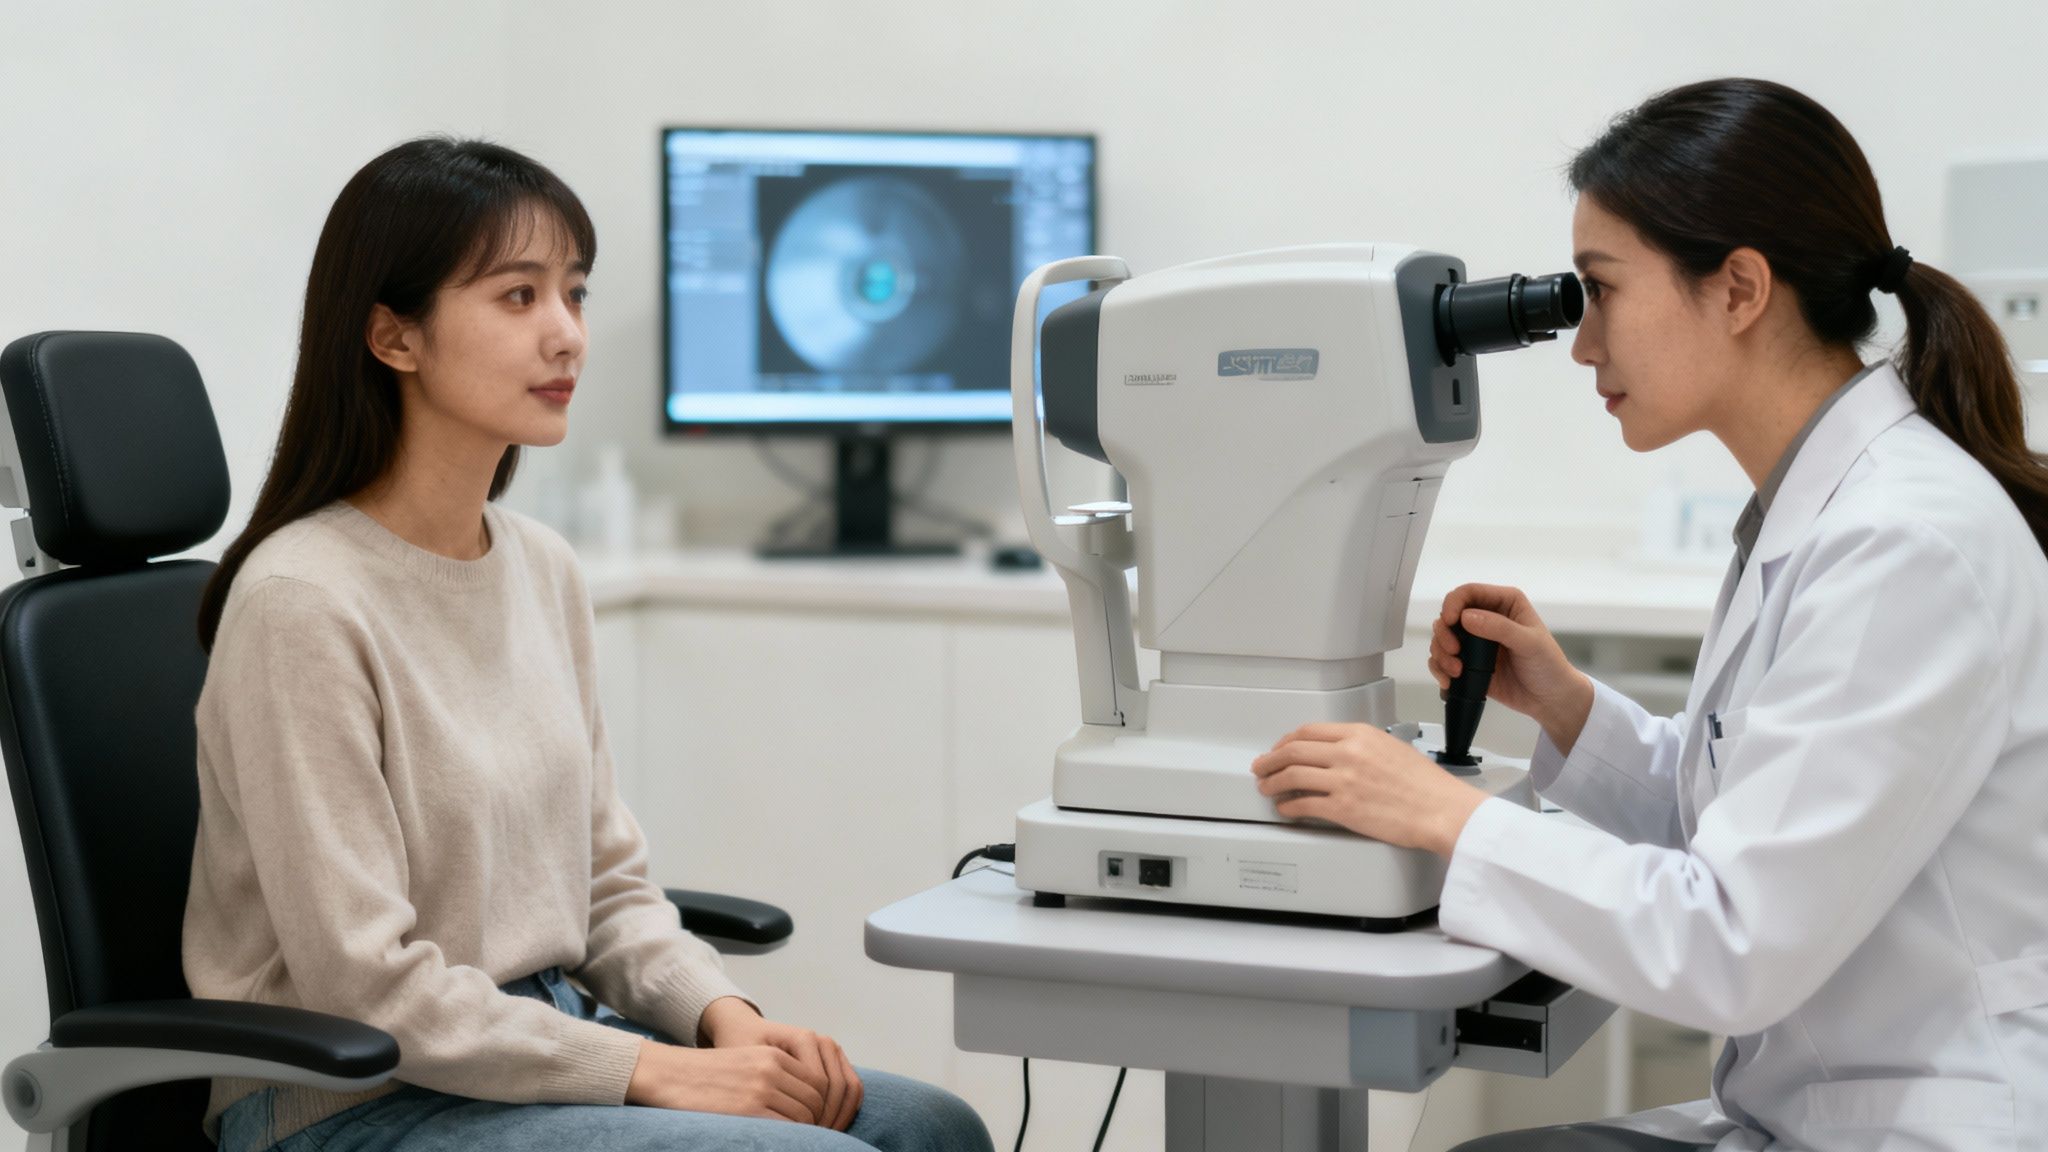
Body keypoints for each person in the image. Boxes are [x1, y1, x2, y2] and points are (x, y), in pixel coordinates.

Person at [1249, 79, 2048, 1150]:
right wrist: (1571, 710)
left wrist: (1445, 815)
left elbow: (1730, 946)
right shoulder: (1825, 511)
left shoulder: (1900, 543)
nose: (1582, 343)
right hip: (1820, 1106)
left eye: (1600, 289)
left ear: (1739, 289)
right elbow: (1751, 823)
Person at [183, 137, 993, 1152]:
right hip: (354, 1096)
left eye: (574, 293)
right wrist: (658, 1071)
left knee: (931, 1128)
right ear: (394, 337)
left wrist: (726, 1021)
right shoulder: (300, 602)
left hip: (540, 1044)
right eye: (518, 296)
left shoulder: (542, 567)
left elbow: (605, 886)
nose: (567, 335)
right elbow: (366, 987)